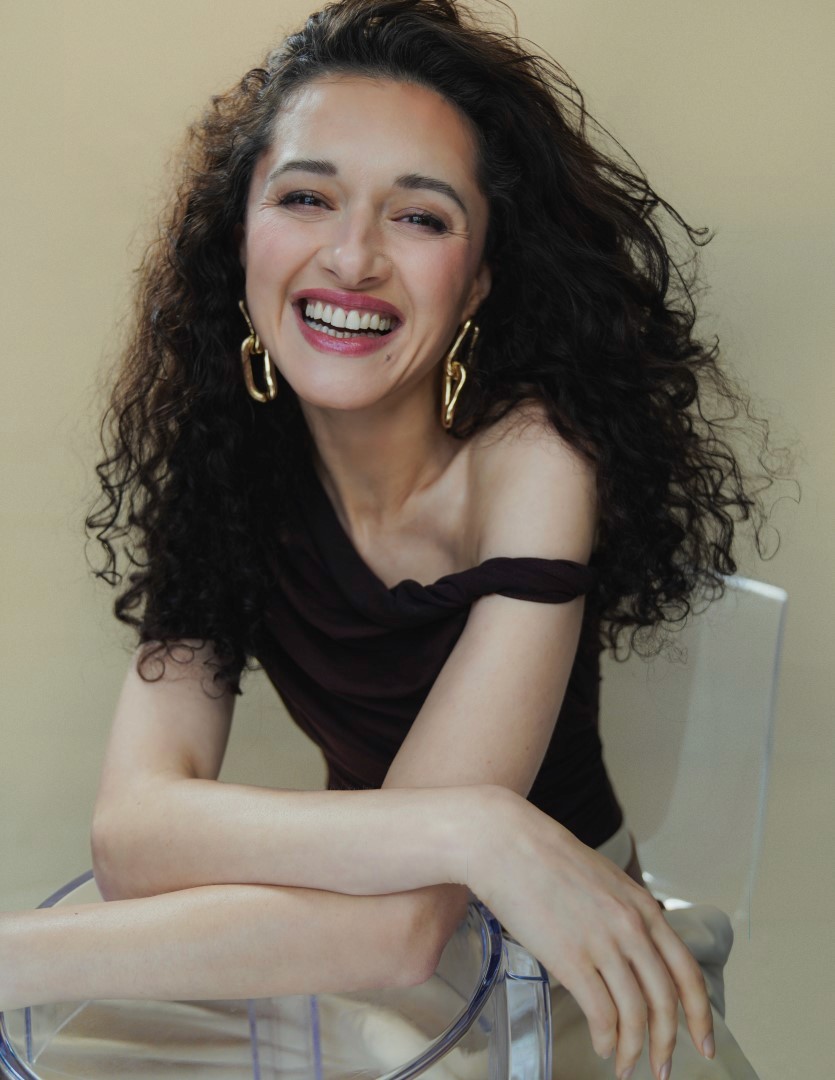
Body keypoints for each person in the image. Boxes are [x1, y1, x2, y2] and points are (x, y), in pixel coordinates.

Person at [0, 1, 775, 1076]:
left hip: (559, 961)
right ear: (239, 235)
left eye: (419, 217)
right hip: (312, 938)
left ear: (481, 277)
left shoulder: (533, 459)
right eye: (305, 197)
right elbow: (132, 841)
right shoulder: (231, 462)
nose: (352, 256)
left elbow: (403, 931)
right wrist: (475, 829)